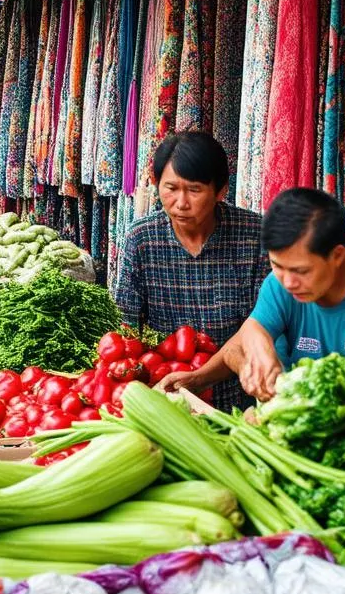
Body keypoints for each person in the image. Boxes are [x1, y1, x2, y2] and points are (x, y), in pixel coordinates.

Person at [161, 187, 345, 402]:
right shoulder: (279, 282)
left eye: (301, 271)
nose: (289, 282)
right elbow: (252, 330)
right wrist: (260, 352)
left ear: (337, 256)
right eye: (277, 265)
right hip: (299, 408)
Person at [114, 132, 268, 410]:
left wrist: (201, 377)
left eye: (194, 190)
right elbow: (126, 326)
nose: (180, 202)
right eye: (170, 188)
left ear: (220, 191)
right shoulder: (142, 239)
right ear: (156, 184)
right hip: (166, 399)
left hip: (238, 401)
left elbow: (262, 325)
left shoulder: (255, 236)